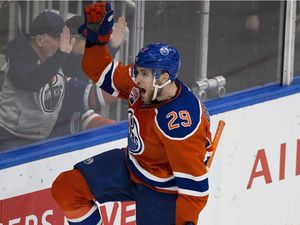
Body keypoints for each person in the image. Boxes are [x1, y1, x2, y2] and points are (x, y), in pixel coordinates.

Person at [51, 2, 213, 225]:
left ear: (164, 78)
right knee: (67, 188)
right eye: (137, 71)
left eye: (144, 74)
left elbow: (194, 188)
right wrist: (96, 40)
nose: (136, 78)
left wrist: (184, 221)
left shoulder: (178, 121)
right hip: (132, 165)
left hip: (164, 190)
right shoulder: (142, 82)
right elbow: (99, 70)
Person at [0, 11, 115, 151]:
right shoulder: (20, 55)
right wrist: (60, 55)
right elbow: (30, 81)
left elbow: (84, 65)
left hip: (40, 137)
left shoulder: (54, 56)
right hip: (11, 137)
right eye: (57, 38)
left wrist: (112, 48)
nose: (62, 43)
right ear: (39, 40)